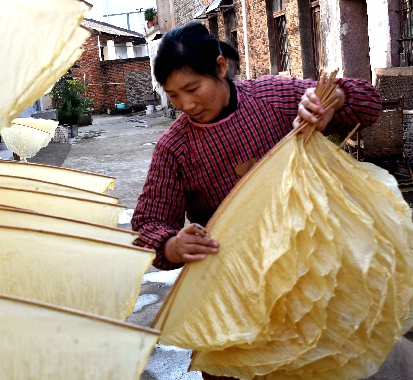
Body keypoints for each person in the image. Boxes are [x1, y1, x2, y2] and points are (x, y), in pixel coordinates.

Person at [130, 22, 382, 379]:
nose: (185, 104)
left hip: (305, 273)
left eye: (192, 88)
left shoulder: (273, 98)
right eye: (173, 95)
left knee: (312, 364)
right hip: (232, 290)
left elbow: (367, 101)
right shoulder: (175, 147)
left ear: (220, 68)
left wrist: (333, 101)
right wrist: (171, 245)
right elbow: (149, 225)